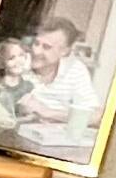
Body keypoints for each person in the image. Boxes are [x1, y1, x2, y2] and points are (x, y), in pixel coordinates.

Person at [12, 13, 104, 159]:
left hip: (59, 150)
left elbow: (97, 117)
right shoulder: (18, 62)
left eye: (46, 47)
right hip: (17, 144)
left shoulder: (75, 69)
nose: (36, 51)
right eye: (36, 43)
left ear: (65, 51)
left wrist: (48, 113)